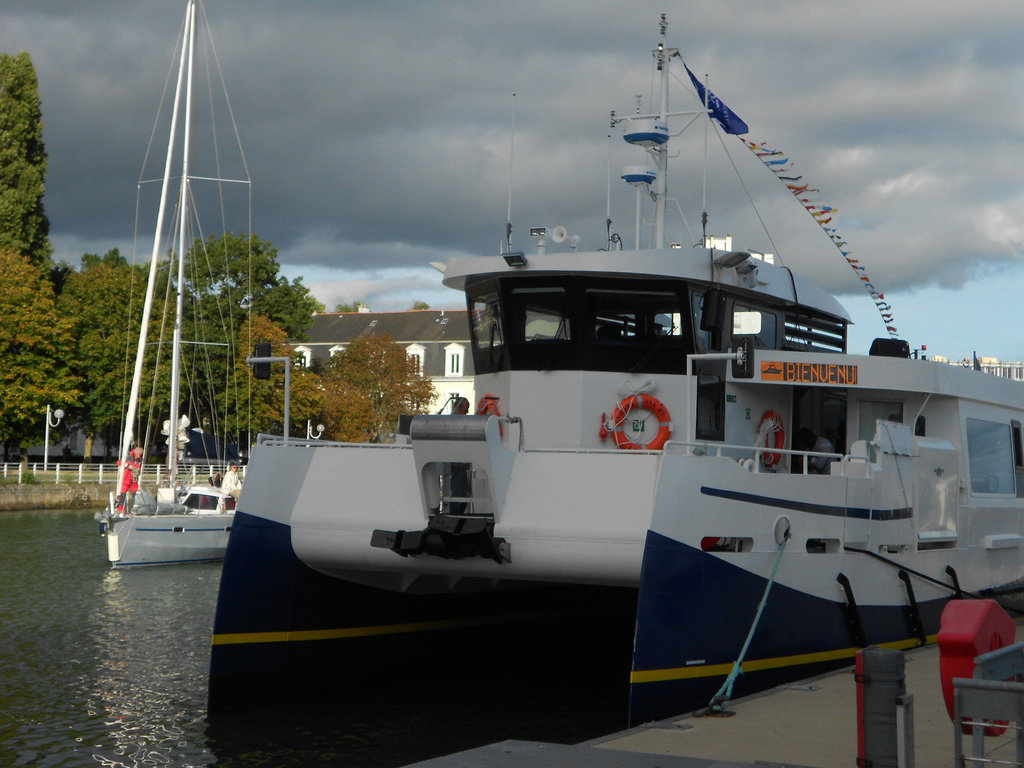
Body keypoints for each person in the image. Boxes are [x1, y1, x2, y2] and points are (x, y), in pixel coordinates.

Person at [117, 447, 143, 514]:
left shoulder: (139, 459)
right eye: (138, 454)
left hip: (134, 479)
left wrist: (135, 467)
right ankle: (120, 509)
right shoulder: (128, 457)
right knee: (123, 494)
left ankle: (137, 508)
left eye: (140, 455)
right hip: (126, 478)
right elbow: (119, 463)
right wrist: (129, 465)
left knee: (136, 494)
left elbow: (139, 467)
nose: (139, 456)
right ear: (135, 452)